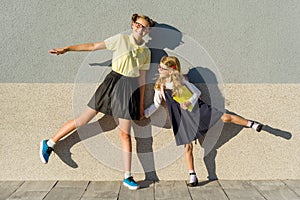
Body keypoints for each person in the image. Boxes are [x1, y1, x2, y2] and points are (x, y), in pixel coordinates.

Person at [40, 14, 155, 190]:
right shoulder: (121, 39)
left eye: (145, 27)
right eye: (138, 25)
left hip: (130, 89)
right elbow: (94, 46)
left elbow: (142, 80)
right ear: (133, 25)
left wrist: (139, 106)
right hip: (113, 82)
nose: (141, 29)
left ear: (148, 31)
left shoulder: (146, 52)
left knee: (125, 134)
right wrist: (68, 49)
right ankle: (49, 143)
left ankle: (127, 176)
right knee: (84, 119)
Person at [144, 56, 263, 186]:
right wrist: (145, 113)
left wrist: (188, 101)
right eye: (160, 67)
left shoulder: (182, 81)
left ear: (171, 71)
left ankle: (251, 124)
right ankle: (193, 176)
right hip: (181, 118)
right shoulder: (160, 86)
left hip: (196, 110)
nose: (159, 69)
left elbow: (197, 92)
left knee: (224, 117)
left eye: (162, 68)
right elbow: (156, 104)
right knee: (188, 147)